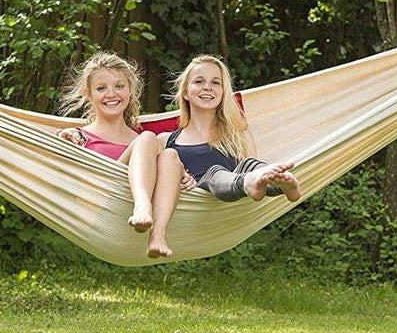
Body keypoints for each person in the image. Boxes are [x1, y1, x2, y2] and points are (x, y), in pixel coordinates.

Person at [55, 52, 192, 258]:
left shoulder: (144, 144)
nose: (112, 94)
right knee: (148, 138)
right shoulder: (78, 136)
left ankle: (157, 235)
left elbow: (163, 172)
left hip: (134, 210)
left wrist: (182, 174)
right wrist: (62, 140)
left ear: (130, 90)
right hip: (101, 203)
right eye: (101, 88)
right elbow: (54, 165)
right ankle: (143, 206)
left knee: (170, 154)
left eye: (119, 86)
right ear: (88, 94)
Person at [166, 54, 301, 203]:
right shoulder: (166, 141)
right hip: (193, 204)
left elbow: (257, 185)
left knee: (250, 165)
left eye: (216, 83)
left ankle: (282, 184)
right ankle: (252, 182)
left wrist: (258, 175)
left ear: (223, 92)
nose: (208, 87)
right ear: (185, 92)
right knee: (214, 173)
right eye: (199, 81)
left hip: (232, 202)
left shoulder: (237, 135)